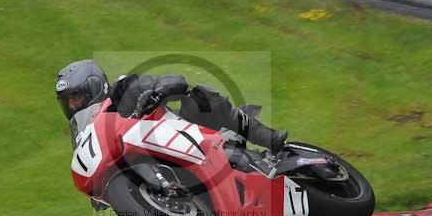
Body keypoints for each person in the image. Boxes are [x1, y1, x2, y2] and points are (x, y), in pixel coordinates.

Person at [55, 59, 288, 153]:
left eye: (76, 97)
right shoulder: (84, 138)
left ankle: (267, 136)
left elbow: (172, 79)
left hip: (188, 135)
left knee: (200, 97)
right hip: (156, 168)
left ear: (95, 87)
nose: (73, 105)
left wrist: (158, 92)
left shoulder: (124, 89)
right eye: (67, 101)